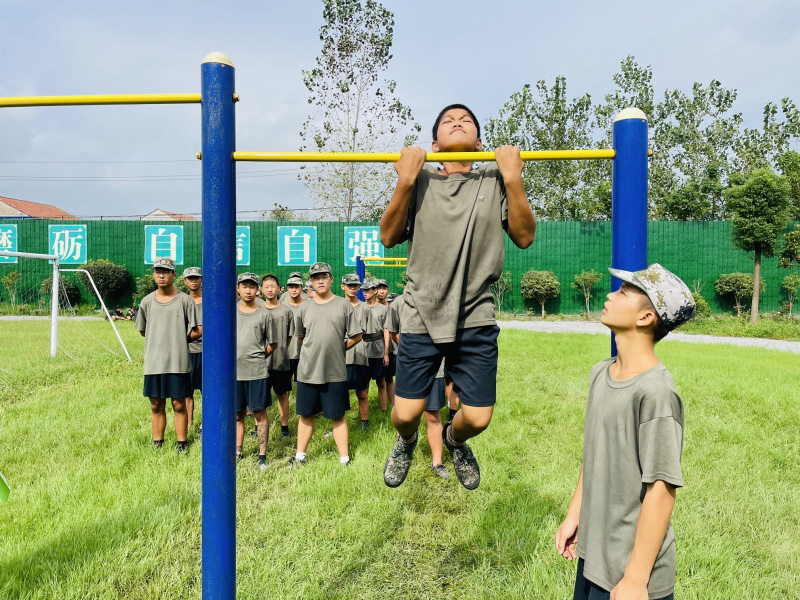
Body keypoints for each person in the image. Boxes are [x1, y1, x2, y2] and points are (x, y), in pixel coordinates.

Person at [379, 104, 536, 490]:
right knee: (405, 414)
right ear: (434, 144)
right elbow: (387, 237)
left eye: (466, 120)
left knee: (478, 418)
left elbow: (524, 237)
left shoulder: (494, 178)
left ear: (479, 142)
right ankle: (407, 440)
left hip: (475, 313)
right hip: (420, 311)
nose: (457, 122)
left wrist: (514, 178)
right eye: (448, 121)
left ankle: (453, 440)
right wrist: (404, 180)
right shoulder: (421, 180)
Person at [555, 264, 695, 600]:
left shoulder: (656, 393)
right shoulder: (600, 373)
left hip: (631, 575)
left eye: (622, 292)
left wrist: (634, 579)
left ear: (646, 317)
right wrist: (575, 513)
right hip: (594, 557)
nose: (609, 295)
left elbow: (661, 490)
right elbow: (594, 453)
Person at [290, 262, 363, 467]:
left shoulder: (343, 305)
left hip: (335, 371)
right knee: (306, 414)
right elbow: (301, 337)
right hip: (308, 371)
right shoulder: (304, 307)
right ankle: (300, 457)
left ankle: (344, 459)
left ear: (331, 279)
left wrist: (338, 348)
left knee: (337, 416)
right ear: (311, 282)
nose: (320, 281)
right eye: (316, 278)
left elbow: (356, 336)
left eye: (324, 277)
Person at [135, 258, 202, 454]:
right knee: (156, 405)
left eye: (165, 272)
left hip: (178, 362)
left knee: (179, 404)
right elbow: (143, 330)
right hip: (154, 362)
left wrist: (178, 339)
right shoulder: (147, 301)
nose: (161, 275)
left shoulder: (185, 300)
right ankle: (158, 444)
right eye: (158, 272)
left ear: (174, 275)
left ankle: (182, 444)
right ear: (153, 275)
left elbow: (198, 330)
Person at [387, 294, 450, 480]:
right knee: (404, 415)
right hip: (409, 369)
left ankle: (437, 463)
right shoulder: (399, 302)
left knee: (433, 415)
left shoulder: (441, 299)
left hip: (436, 368)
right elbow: (393, 331)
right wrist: (414, 351)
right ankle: (402, 454)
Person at [235, 272, 277, 470]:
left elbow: (273, 343)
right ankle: (238, 451)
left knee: (260, 414)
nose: (248, 290)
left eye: (252, 286)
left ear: (257, 290)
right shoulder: (230, 313)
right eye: (244, 286)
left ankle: (262, 455)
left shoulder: (264, 314)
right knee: (237, 415)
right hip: (234, 374)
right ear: (238, 289)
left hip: (257, 373)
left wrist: (259, 357)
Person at [261, 273, 295, 441]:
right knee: (261, 397)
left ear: (279, 289)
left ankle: (284, 427)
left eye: (272, 286)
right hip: (260, 363)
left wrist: (280, 350)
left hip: (281, 361)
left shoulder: (286, 310)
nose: (269, 290)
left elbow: (289, 336)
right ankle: (259, 426)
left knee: (282, 395)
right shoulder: (257, 309)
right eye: (266, 287)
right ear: (261, 290)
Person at [341, 273, 377, 431]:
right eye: (350, 285)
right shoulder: (338, 306)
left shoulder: (365, 308)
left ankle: (365, 425)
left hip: (360, 355)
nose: (353, 288)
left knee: (362, 393)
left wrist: (357, 339)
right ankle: (338, 424)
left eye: (356, 285)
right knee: (339, 393)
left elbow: (370, 332)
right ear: (343, 286)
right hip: (340, 356)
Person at [362, 279, 390, 411]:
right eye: (363, 290)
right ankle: (363, 411)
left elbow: (386, 331)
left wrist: (386, 353)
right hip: (363, 348)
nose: (365, 293)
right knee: (364, 383)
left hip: (378, 347)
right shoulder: (360, 307)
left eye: (367, 290)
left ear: (375, 291)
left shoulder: (383, 309)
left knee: (381, 381)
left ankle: (384, 411)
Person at [182, 266, 203, 434]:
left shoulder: (209, 301)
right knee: (187, 391)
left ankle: (205, 423)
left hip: (205, 352)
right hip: (186, 350)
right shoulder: (182, 301)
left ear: (201, 280)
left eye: (196, 278)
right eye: (190, 278)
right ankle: (189, 423)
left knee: (206, 390)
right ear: (185, 281)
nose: (193, 281)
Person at [284, 274, 306, 381]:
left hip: (304, 352)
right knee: (284, 387)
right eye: (291, 287)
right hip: (286, 352)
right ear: (287, 289)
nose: (294, 290)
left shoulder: (309, 305)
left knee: (304, 384)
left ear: (301, 288)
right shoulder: (282, 306)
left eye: (297, 287)